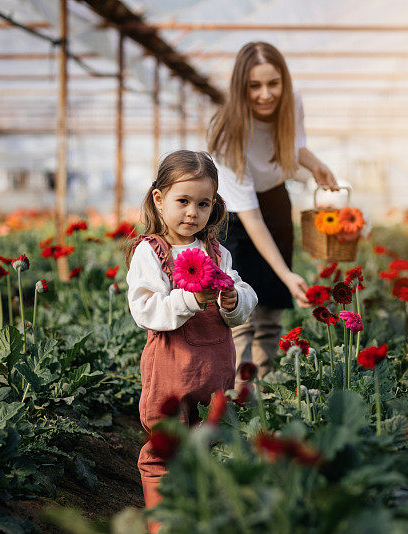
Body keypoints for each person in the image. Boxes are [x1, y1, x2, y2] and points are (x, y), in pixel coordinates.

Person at [125, 150, 258, 528]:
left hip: (215, 368)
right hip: (170, 368)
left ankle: (199, 515)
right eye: (183, 201)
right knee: (165, 448)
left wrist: (234, 300)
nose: (192, 213)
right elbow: (145, 309)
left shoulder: (218, 252)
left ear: (213, 205)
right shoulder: (150, 253)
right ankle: (163, 523)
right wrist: (188, 298)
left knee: (209, 443)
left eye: (203, 203)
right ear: (159, 199)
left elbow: (243, 298)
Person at [208, 41, 338, 380]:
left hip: (275, 201)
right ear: (241, 88)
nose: (266, 94)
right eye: (254, 86)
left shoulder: (291, 101)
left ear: (283, 82)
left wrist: (316, 165)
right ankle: (237, 395)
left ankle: (265, 391)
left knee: (270, 311)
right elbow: (250, 216)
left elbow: (292, 145)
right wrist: (286, 273)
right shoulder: (226, 133)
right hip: (234, 218)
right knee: (239, 310)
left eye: (273, 83)